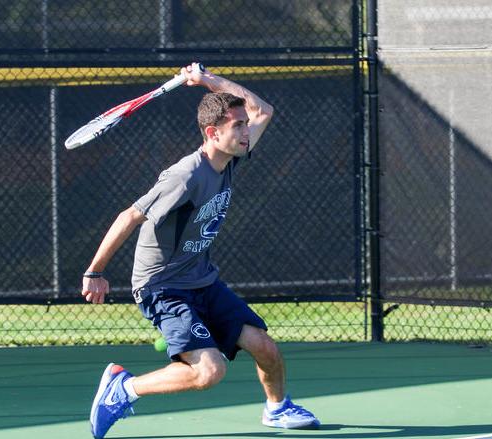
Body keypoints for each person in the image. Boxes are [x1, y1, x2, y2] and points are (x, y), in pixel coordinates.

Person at [81, 63, 320, 439]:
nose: (246, 131)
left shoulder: (229, 158)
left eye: (244, 125)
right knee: (209, 372)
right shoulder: (185, 176)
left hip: (202, 280)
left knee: (265, 347)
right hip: (163, 288)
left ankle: (277, 409)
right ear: (213, 133)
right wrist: (95, 272)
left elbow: (263, 111)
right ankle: (122, 389)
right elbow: (129, 216)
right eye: (237, 127)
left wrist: (208, 80)